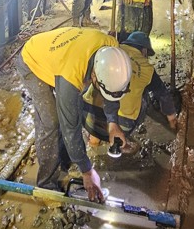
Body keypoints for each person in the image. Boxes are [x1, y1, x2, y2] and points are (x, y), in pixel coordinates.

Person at [16, 27, 132, 201]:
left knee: (68, 111)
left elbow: (111, 89)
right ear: (93, 75)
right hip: (32, 60)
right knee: (51, 122)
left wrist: (113, 123)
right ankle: (46, 185)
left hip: (61, 55)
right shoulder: (72, 75)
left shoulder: (112, 52)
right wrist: (87, 171)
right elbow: (70, 128)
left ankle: (63, 159)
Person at [82, 32, 178, 150]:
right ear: (144, 51)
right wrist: (172, 118)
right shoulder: (147, 69)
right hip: (123, 124)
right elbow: (163, 95)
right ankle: (122, 143)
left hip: (87, 116)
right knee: (145, 95)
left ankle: (93, 141)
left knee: (98, 86)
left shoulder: (111, 51)